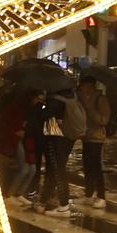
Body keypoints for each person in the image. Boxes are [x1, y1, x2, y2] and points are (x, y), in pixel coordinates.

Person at [39, 86, 85, 214]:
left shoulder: (55, 100)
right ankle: (44, 201)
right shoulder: (71, 96)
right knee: (57, 169)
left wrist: (42, 105)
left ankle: (63, 204)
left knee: (57, 170)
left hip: (56, 137)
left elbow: (47, 117)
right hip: (68, 137)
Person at [76, 74, 111, 208]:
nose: (82, 89)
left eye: (84, 86)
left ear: (90, 86)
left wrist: (90, 110)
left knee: (95, 167)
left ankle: (101, 196)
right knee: (87, 167)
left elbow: (103, 120)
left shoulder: (100, 99)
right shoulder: (83, 98)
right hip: (86, 137)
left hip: (96, 138)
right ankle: (89, 194)